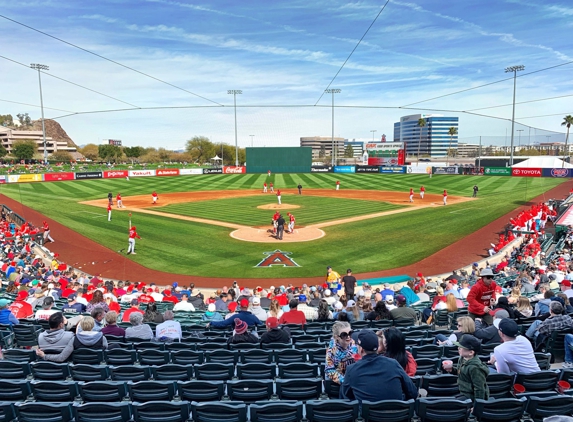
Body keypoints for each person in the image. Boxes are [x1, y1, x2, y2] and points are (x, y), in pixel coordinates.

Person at [340, 330, 418, 402]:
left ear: (361, 350)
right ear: (377, 348)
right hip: (398, 415)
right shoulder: (393, 363)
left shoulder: (351, 369)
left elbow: (346, 398)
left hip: (367, 416)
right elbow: (413, 393)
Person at [442, 334, 489, 401]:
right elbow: (461, 373)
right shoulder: (462, 358)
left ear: (471, 352)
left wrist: (477, 405)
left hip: (470, 396)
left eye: (461, 347)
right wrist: (452, 369)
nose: (458, 348)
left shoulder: (475, 368)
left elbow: (479, 389)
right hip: (462, 390)